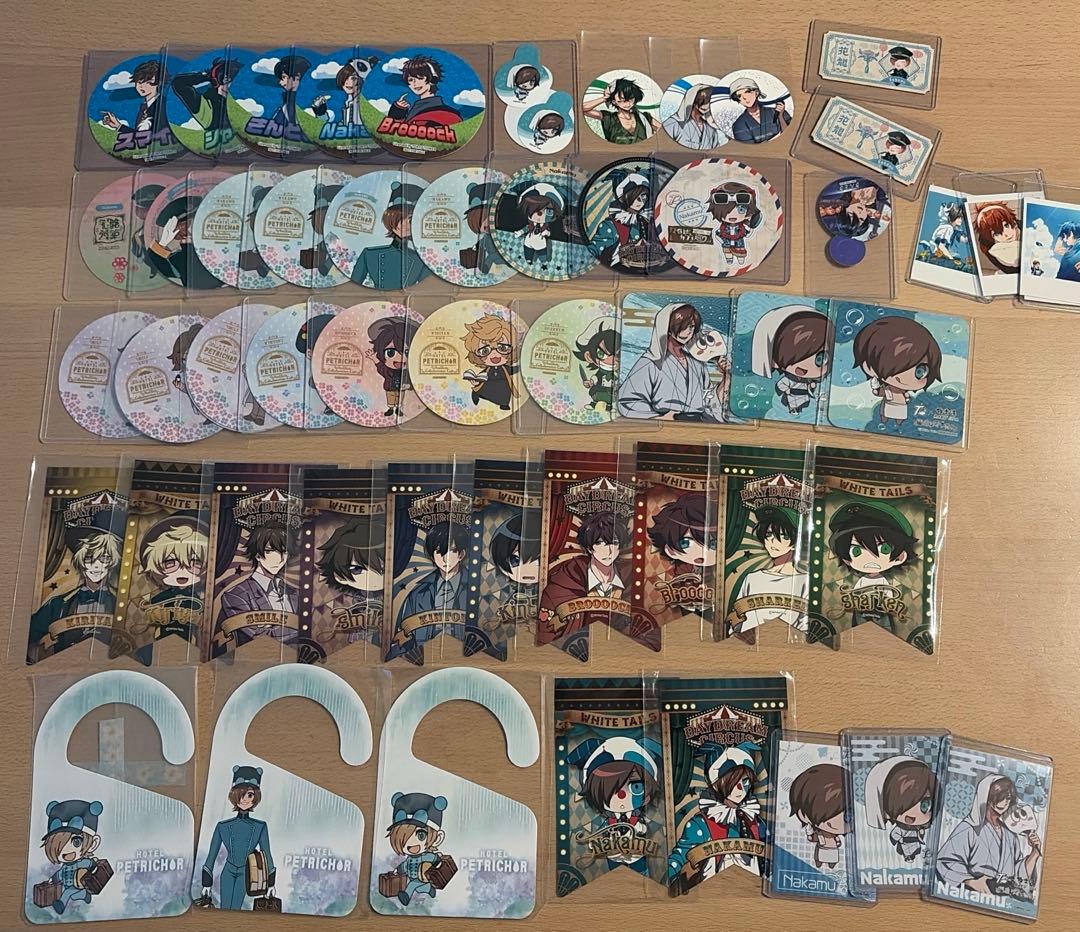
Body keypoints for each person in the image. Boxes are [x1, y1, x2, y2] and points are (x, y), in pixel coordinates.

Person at [667, 746, 767, 884]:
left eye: (745, 781)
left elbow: (771, 857)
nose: (741, 788)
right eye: (734, 781)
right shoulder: (700, 824)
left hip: (750, 889)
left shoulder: (754, 821)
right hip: (712, 890)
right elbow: (679, 858)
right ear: (716, 783)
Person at [28, 514, 121, 660]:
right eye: (89, 558)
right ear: (81, 562)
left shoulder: (122, 603)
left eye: (104, 558)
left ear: (112, 563)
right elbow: (25, 635)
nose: (97, 566)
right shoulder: (58, 604)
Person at [936, 774, 1043, 898]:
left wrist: (1035, 853)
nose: (1006, 802)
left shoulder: (1010, 834)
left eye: (1008, 797)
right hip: (973, 895)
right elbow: (946, 861)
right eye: (1001, 797)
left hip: (1004, 899)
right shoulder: (969, 828)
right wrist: (971, 881)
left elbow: (1019, 875)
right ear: (987, 797)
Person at [570, 736, 661, 875]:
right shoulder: (609, 819)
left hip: (637, 855)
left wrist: (640, 828)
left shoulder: (637, 817)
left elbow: (643, 830)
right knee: (614, 876)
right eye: (610, 790)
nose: (622, 795)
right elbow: (603, 831)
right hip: (613, 856)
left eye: (635, 787)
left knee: (641, 873)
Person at [201, 766, 275, 910]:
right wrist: (206, 883)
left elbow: (267, 855)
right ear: (234, 796)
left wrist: (271, 883)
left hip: (246, 873)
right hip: (227, 871)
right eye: (241, 795)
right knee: (224, 908)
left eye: (250, 795)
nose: (245, 799)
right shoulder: (222, 826)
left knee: (235, 909)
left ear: (256, 797)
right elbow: (211, 856)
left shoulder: (260, 827)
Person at [216, 521, 299, 646]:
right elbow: (261, 637)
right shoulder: (236, 595)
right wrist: (297, 629)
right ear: (258, 555)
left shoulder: (294, 593)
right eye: (270, 551)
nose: (279, 559)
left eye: (284, 551)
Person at [728, 505, 808, 634]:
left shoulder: (804, 581)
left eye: (783, 536)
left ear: (795, 543)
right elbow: (737, 619)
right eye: (769, 535)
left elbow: (805, 626)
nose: (772, 541)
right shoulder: (752, 578)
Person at [853, 317, 942, 428]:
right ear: (868, 366)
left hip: (901, 406)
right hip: (889, 404)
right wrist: (876, 389)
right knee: (885, 413)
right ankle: (884, 421)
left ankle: (899, 425)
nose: (901, 378)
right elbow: (879, 393)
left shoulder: (903, 392)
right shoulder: (887, 389)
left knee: (900, 416)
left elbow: (905, 396)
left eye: (919, 372)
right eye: (890, 363)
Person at [750, 305, 833, 416]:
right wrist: (787, 390)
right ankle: (794, 410)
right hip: (792, 397)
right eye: (795, 356)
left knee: (804, 403)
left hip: (805, 398)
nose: (806, 367)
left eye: (820, 358)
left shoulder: (810, 380)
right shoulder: (788, 380)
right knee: (794, 404)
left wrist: (811, 387)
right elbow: (781, 385)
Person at [137, 515, 208, 644]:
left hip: (188, 638)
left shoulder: (196, 597)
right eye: (170, 563)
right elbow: (153, 603)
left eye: (194, 563)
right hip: (164, 636)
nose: (182, 570)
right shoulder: (164, 595)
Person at [316, 515, 385, 641]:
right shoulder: (352, 600)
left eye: (383, 566)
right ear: (339, 577)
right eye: (357, 569)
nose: (373, 575)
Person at [351, 183, 429, 289]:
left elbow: (426, 288)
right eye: (399, 219)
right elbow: (354, 287)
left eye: (410, 220)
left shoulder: (421, 259)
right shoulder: (369, 254)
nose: (403, 225)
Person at [864, 756, 937, 863]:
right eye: (903, 805)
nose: (913, 815)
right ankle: (908, 857)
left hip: (915, 844)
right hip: (905, 844)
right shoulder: (900, 829)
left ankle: (912, 856)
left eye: (924, 805)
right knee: (908, 851)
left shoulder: (921, 827)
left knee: (915, 850)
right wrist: (898, 840)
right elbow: (894, 835)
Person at [39, 799, 106, 915]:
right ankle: (84, 895)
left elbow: (90, 864)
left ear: (93, 844)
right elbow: (59, 875)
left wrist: (94, 863)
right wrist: (51, 880)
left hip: (78, 884)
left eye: (76, 842)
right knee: (73, 895)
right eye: (58, 847)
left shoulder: (80, 863)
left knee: (68, 893)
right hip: (68, 885)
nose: (66, 851)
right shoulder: (64, 867)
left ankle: (61, 905)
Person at [384, 792, 452, 906]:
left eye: (421, 835)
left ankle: (406, 897)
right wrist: (396, 871)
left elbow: (435, 859)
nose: (412, 844)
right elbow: (403, 866)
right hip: (414, 878)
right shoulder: (409, 860)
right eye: (404, 839)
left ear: (437, 838)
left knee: (412, 885)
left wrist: (438, 861)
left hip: (421, 878)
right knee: (420, 888)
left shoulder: (427, 856)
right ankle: (429, 889)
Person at [789, 763, 849, 871]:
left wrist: (838, 841)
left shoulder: (835, 835)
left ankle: (831, 865)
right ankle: (819, 862)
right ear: (803, 815)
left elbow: (838, 841)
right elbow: (813, 839)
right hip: (822, 849)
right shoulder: (819, 833)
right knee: (820, 857)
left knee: (833, 859)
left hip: (833, 851)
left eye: (848, 815)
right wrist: (810, 835)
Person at [171, 57, 241, 141]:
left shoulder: (240, 103)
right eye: (225, 79)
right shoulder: (205, 107)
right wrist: (206, 77)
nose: (228, 84)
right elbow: (178, 82)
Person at [461, 314, 518, 411]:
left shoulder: (505, 369)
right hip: (489, 386)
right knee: (485, 389)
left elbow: (514, 369)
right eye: (485, 351)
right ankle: (478, 394)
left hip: (503, 388)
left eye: (502, 348)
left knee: (504, 395)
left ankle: (503, 404)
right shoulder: (487, 370)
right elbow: (482, 376)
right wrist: (476, 382)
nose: (494, 354)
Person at [583, 76, 660, 144]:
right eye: (622, 100)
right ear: (614, 102)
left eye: (630, 99)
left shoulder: (645, 117)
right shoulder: (609, 118)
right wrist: (605, 98)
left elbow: (663, 131)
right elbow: (582, 109)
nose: (627, 103)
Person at [387, 56, 462, 126]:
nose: (415, 84)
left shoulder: (447, 113)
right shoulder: (417, 107)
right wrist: (398, 112)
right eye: (411, 80)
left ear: (433, 79)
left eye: (420, 78)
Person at [101, 59, 167, 137]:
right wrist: (118, 125)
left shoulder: (163, 106)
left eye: (148, 82)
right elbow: (140, 136)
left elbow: (150, 136)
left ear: (159, 83)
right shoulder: (144, 107)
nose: (142, 86)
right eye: (139, 82)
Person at [311, 57, 377, 128]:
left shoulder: (364, 104)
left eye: (353, 78)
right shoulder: (349, 102)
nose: (347, 82)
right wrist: (320, 113)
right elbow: (342, 127)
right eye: (345, 78)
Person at [708, 181, 762, 266]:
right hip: (726, 244)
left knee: (741, 255)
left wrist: (752, 226)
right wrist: (721, 241)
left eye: (741, 210)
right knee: (727, 253)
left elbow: (747, 234)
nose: (732, 215)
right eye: (726, 212)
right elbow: (717, 235)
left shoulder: (742, 227)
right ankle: (729, 260)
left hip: (739, 244)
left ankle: (741, 260)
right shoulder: (723, 228)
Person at [368, 315, 412, 418]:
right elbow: (381, 369)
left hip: (402, 388)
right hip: (390, 388)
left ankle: (399, 408)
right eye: (391, 352)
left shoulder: (408, 371)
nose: (400, 358)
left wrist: (408, 385)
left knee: (400, 398)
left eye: (406, 352)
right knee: (391, 398)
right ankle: (391, 408)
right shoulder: (388, 370)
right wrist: (374, 359)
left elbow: (412, 379)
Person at [512, 184, 563, 269]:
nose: (540, 215)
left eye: (548, 211)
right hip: (529, 241)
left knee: (542, 252)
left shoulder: (545, 226)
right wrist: (519, 232)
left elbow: (549, 233)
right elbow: (526, 228)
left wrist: (547, 233)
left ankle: (543, 261)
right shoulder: (531, 225)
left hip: (540, 242)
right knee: (527, 250)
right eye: (534, 210)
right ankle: (528, 260)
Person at [458, 181, 504, 275]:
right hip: (495, 259)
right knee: (492, 256)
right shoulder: (487, 237)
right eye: (484, 226)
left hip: (502, 256)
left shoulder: (501, 234)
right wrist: (476, 246)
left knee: (492, 257)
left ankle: (486, 266)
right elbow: (482, 242)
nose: (488, 227)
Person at [574, 317, 619, 412]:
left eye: (617, 355)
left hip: (610, 392)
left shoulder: (617, 373)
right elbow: (595, 378)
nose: (611, 360)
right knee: (596, 395)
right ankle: (593, 404)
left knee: (610, 398)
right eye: (602, 354)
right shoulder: (600, 372)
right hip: (599, 390)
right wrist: (590, 382)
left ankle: (609, 407)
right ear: (589, 357)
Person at [662, 83, 727, 149]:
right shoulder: (673, 123)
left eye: (710, 102)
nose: (707, 106)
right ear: (693, 99)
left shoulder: (711, 130)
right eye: (703, 101)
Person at [728, 75, 789, 143]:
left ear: (756, 93)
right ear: (738, 100)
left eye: (747, 92)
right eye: (739, 96)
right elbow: (749, 148)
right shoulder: (739, 125)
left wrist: (780, 117)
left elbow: (791, 135)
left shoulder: (776, 112)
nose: (744, 97)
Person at [971, 201, 1020, 274]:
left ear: (1013, 223)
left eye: (1006, 225)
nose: (1006, 234)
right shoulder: (994, 250)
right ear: (991, 238)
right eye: (997, 234)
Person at [267, 54, 311, 134]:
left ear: (297, 77)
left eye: (284, 77)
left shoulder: (299, 103)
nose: (280, 82)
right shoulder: (287, 102)